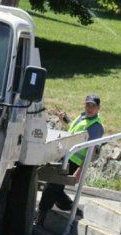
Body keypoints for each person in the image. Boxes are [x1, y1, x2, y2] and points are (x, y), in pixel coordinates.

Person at [36, 94, 104, 225]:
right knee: (55, 188)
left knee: (51, 187)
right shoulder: (82, 116)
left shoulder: (96, 126)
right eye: (87, 105)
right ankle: (72, 208)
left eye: (93, 106)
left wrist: (80, 170)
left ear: (98, 108)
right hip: (64, 157)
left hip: (73, 162)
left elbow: (91, 151)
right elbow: (74, 135)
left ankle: (40, 218)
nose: (89, 108)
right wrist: (65, 122)